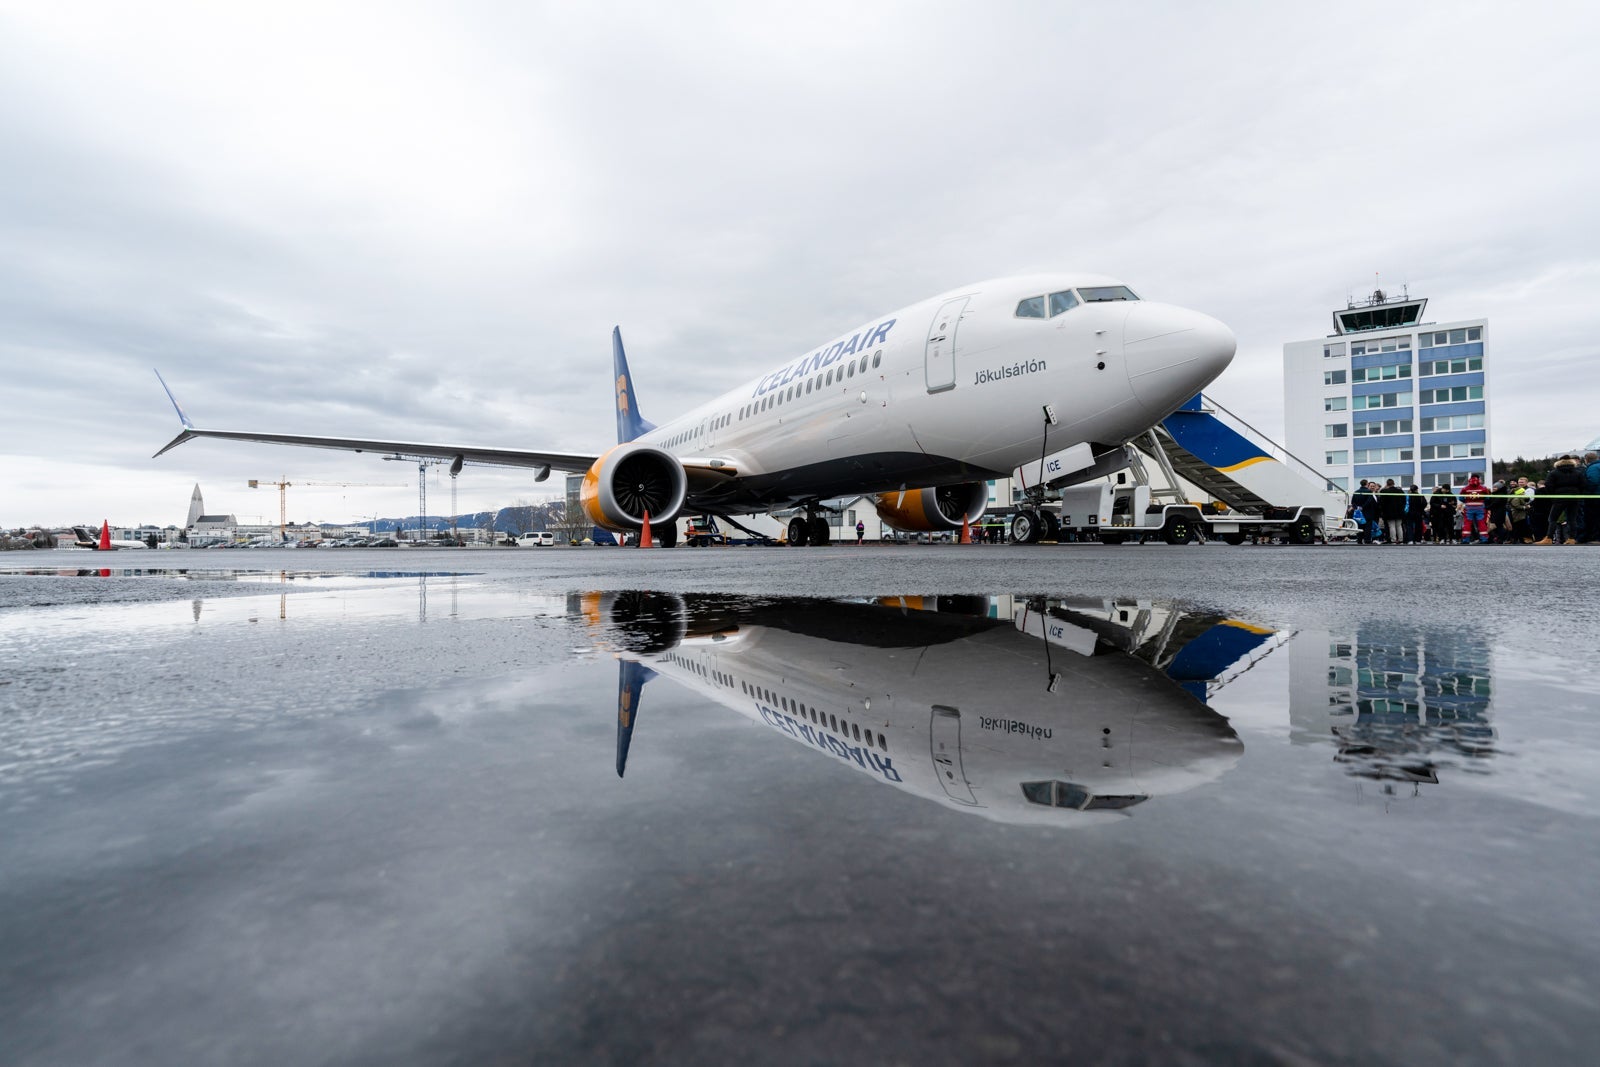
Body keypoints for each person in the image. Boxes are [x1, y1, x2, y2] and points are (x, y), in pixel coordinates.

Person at [1536, 455, 1586, 545]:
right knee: (1572, 519)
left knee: (1553, 518)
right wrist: (1578, 494)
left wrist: (1552, 496)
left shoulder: (1554, 473)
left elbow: (1548, 485)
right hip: (1574, 497)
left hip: (1559, 497)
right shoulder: (1578, 472)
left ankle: (1549, 538)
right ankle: (1572, 538)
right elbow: (1583, 485)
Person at [1459, 474, 1490, 544]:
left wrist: (1467, 501)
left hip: (1469, 508)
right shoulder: (1483, 488)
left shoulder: (1465, 488)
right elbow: (1487, 498)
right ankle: (1484, 539)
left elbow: (1460, 498)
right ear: (1478, 479)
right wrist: (1481, 501)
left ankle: (1465, 540)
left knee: (1467, 524)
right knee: (1481, 523)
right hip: (1480, 508)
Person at [1378, 479, 1407, 544]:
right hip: (1399, 512)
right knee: (1399, 526)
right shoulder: (1400, 491)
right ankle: (1400, 539)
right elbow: (1404, 501)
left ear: (1387, 484)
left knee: (1391, 526)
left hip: (1388, 512)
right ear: (1394, 483)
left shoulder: (1383, 491)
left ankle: (1393, 539)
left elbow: (1381, 503)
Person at [1583, 452, 1600, 545]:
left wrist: (1587, 493)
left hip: (1595, 497)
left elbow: (1593, 481)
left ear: (1587, 460)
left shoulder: (1593, 468)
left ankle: (1596, 538)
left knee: (1595, 518)